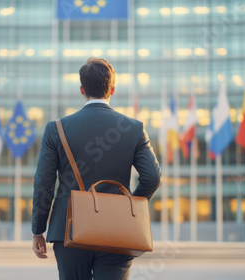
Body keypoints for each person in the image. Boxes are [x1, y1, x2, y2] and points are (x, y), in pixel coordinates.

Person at [31, 57, 161, 280]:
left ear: (82, 89)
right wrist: (128, 209)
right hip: (117, 230)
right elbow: (152, 177)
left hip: (68, 230)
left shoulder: (56, 129)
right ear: (112, 89)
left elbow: (44, 184)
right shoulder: (134, 128)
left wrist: (38, 229)